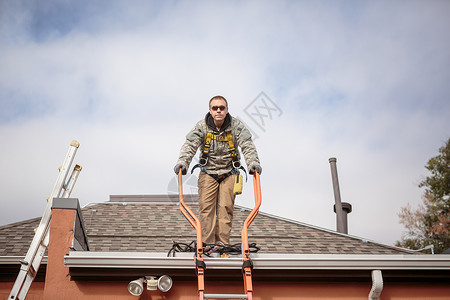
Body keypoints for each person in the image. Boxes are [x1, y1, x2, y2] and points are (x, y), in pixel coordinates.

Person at [174, 95, 261, 245]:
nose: (218, 111)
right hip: (208, 172)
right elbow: (190, 145)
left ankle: (222, 245)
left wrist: (253, 163)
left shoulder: (236, 126)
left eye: (222, 108)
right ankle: (207, 246)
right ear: (210, 110)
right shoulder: (201, 126)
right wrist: (183, 162)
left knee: (225, 209)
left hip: (230, 172)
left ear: (227, 110)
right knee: (206, 210)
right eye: (215, 108)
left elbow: (247, 144)